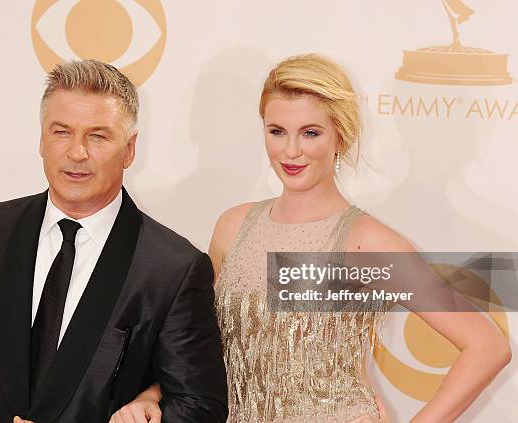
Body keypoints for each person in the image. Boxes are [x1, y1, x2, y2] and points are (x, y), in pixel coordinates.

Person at [112, 54, 511, 422]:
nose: (291, 150)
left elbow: (488, 347)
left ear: (341, 135)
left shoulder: (366, 242)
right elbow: (197, 340)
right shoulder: (233, 226)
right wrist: (153, 394)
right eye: (277, 131)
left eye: (310, 133)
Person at [0, 60, 228, 422]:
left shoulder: (174, 268)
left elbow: (200, 406)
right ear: (41, 139)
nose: (77, 152)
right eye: (61, 132)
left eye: (98, 135)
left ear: (130, 149)